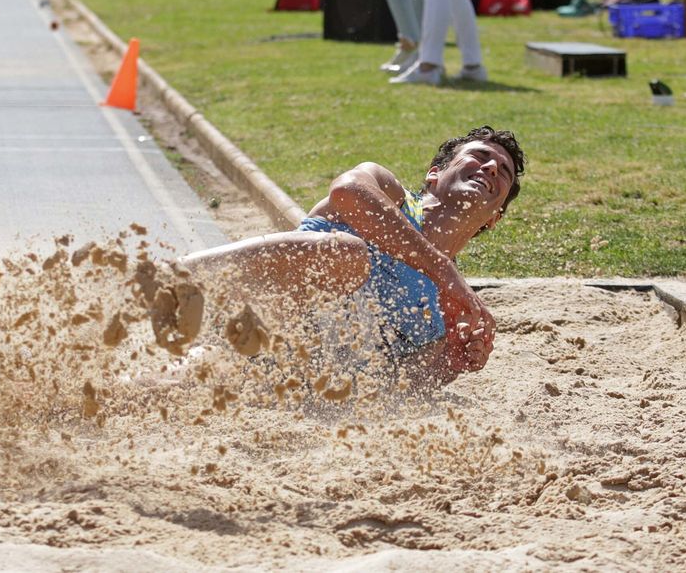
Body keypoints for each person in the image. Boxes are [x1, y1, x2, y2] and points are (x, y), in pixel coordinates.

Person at [180, 125, 524, 386]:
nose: (491, 167)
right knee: (349, 254)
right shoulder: (389, 193)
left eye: (503, 171)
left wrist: (451, 362)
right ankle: (175, 279)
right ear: (434, 174)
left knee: (168, 380)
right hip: (241, 312)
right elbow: (346, 190)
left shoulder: (447, 309)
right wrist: (441, 269)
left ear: (495, 218)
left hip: (268, 373)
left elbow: (392, 387)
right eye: (479, 155)